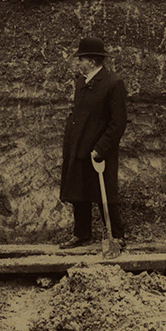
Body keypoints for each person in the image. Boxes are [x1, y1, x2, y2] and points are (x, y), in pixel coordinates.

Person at [59, 36, 128, 249]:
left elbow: (118, 123)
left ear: (92, 61)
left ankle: (116, 236)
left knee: (105, 193)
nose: (77, 63)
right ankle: (82, 234)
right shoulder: (82, 82)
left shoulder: (113, 83)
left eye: (80, 59)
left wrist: (101, 148)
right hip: (79, 146)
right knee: (79, 192)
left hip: (99, 150)